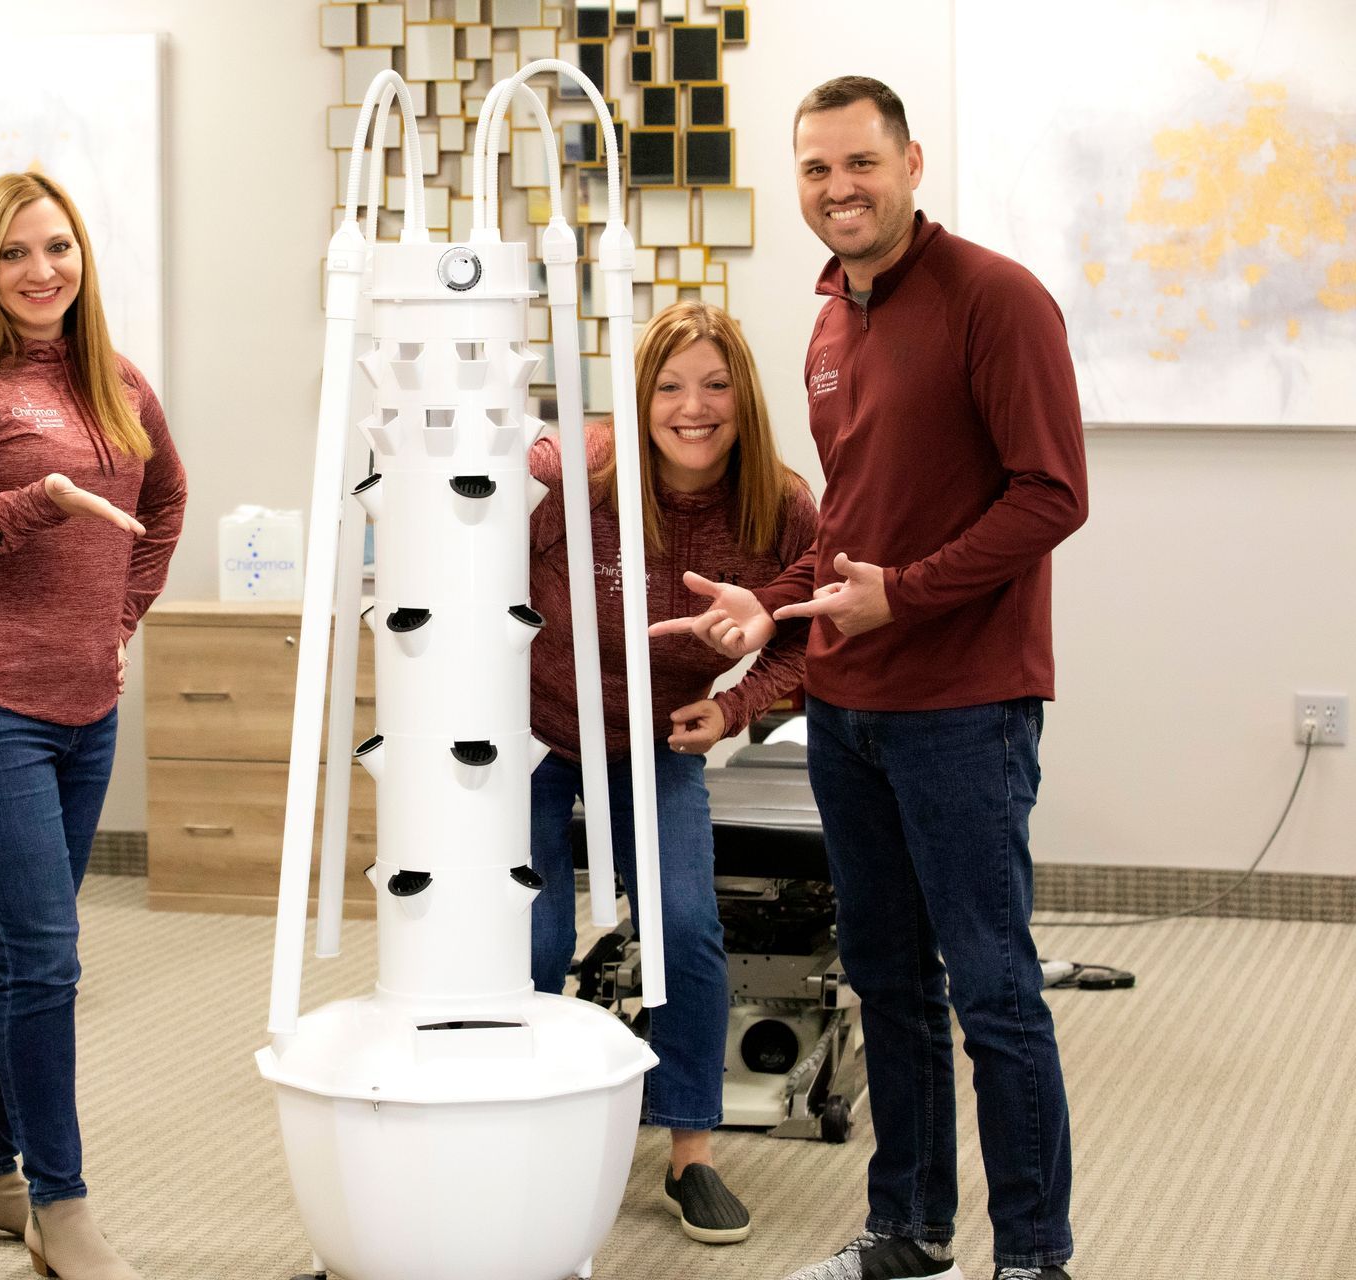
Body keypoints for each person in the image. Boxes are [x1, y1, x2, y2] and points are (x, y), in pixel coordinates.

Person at [652, 78, 1088, 1280]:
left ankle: (1035, 1255)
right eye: (815, 170)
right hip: (848, 709)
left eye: (860, 164)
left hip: (965, 706)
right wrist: (771, 603)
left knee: (993, 990)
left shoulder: (996, 300)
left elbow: (1054, 495)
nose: (839, 189)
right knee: (887, 984)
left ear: (911, 162)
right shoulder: (832, 320)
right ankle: (907, 1230)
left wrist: (910, 591)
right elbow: (848, 521)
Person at [0, 171, 186, 1280]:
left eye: (57, 246)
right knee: (49, 955)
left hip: (85, 701)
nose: (41, 269)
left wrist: (123, 612)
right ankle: (62, 1203)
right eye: (15, 253)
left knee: (13, 949)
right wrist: (36, 501)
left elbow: (167, 500)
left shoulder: (115, 378)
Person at [527, 300, 818, 1247]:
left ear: (746, 398)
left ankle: (689, 1149)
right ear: (640, 399)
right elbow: (485, 529)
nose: (693, 408)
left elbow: (809, 639)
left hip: (653, 742)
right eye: (669, 386)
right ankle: (529, 1130)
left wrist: (734, 709)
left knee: (687, 931)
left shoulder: (780, 506)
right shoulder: (584, 475)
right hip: (529, 733)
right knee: (528, 944)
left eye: (716, 385)